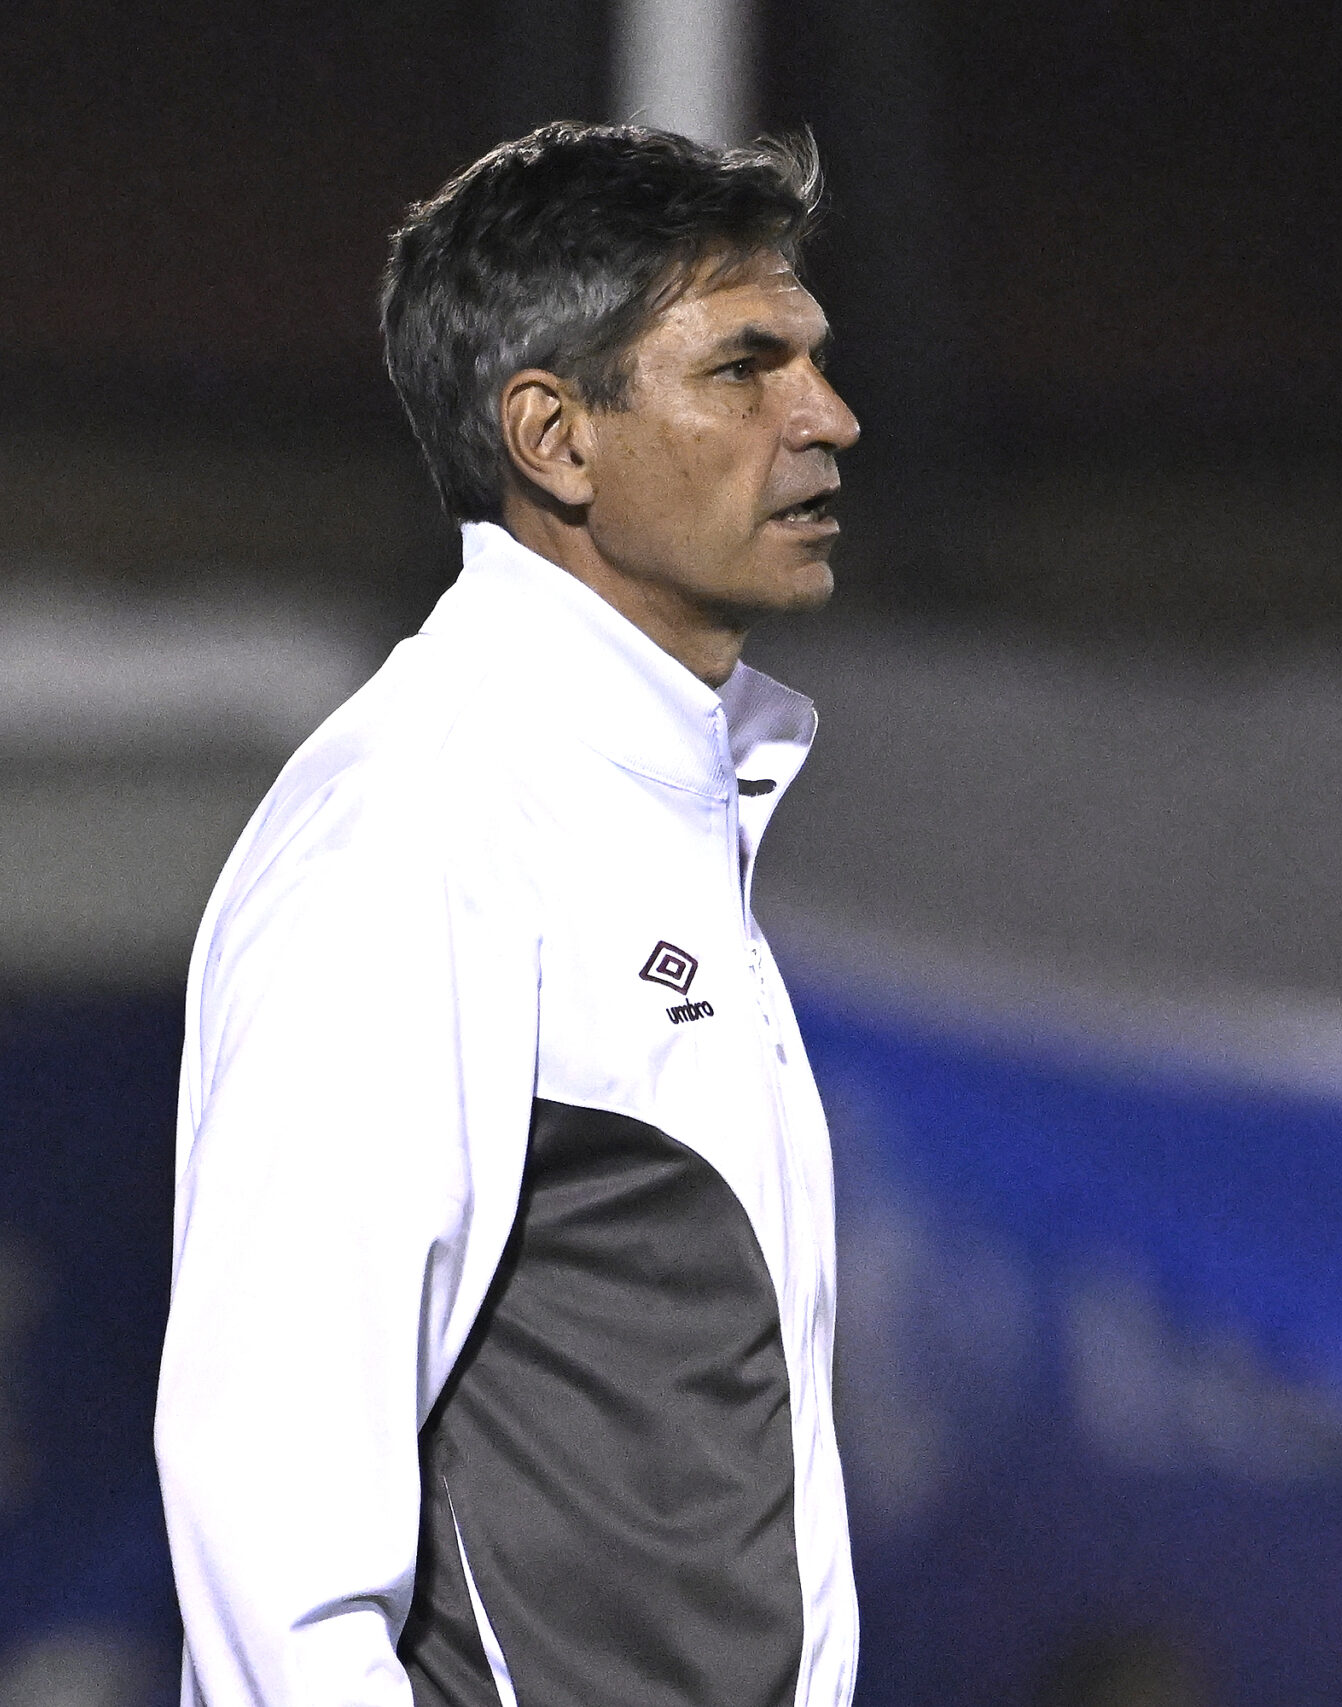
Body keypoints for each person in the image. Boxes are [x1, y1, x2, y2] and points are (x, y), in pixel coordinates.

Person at [155, 123, 863, 1707]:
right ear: (554, 437)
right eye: (746, 367)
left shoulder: (645, 804)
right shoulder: (420, 829)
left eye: (814, 359)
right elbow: (271, 1524)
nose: (828, 416)